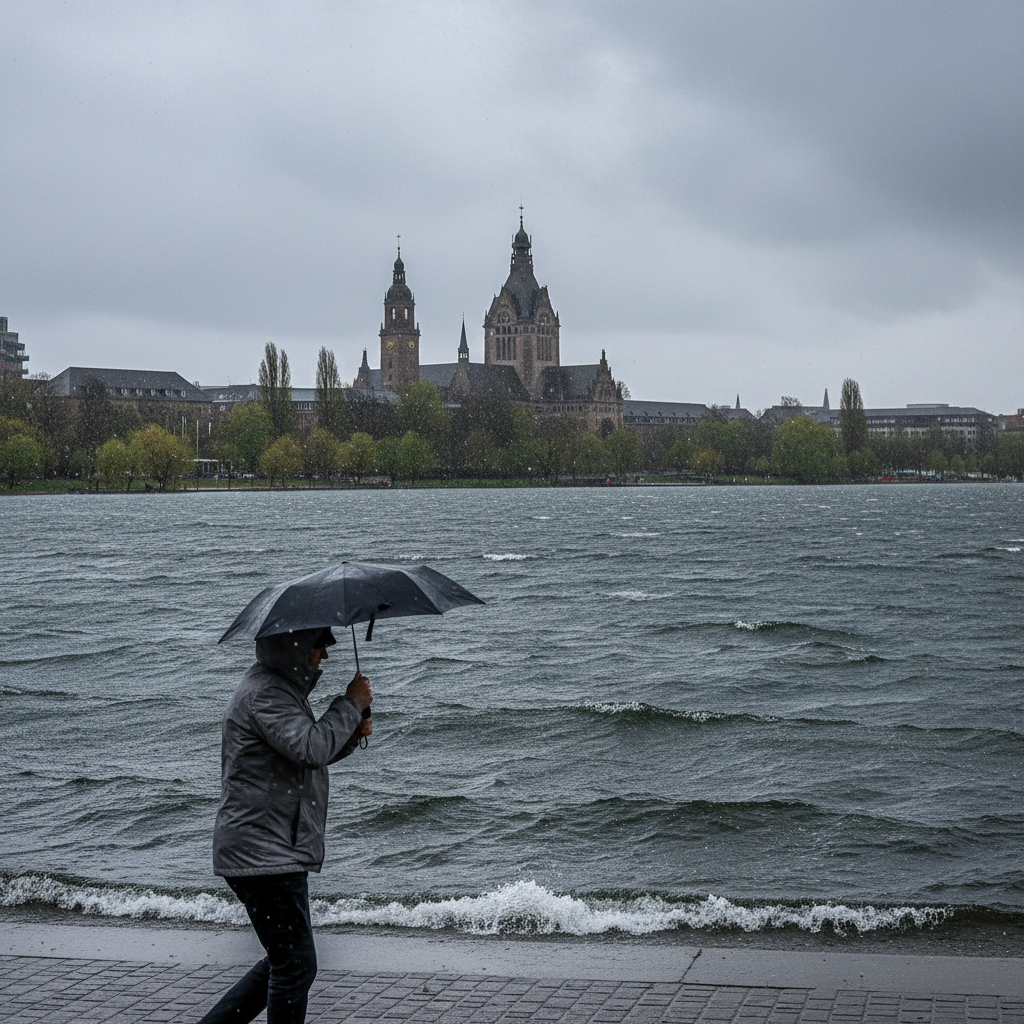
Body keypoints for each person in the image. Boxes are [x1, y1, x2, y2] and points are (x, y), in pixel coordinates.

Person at [197, 626, 372, 1024]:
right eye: (319, 645)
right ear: (293, 646)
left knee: (288, 959)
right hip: (263, 849)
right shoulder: (267, 695)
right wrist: (349, 705)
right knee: (295, 963)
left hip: (270, 845)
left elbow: (303, 756)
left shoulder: (277, 690)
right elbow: (310, 748)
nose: (325, 655)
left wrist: (349, 733)